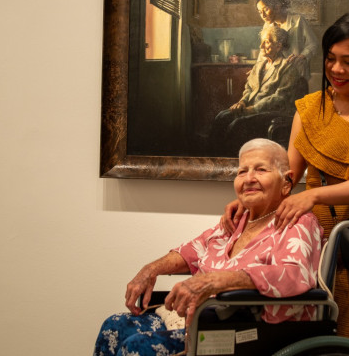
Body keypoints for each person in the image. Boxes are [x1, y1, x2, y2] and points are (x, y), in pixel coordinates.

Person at [221, 12, 349, 353]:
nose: (336, 69)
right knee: (305, 334)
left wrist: (314, 196)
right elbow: (287, 178)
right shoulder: (310, 108)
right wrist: (250, 199)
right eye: (331, 59)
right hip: (311, 237)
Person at [93, 139, 323, 356]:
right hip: (202, 319)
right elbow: (191, 251)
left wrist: (219, 280)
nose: (249, 178)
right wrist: (150, 269)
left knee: (137, 346)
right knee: (114, 326)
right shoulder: (237, 219)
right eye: (242, 171)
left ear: (287, 182)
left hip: (248, 329)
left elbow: (294, 273)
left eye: (261, 170)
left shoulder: (297, 221)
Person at [210, 24, 307, 156]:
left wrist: (254, 109)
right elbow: (249, 88)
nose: (261, 46)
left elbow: (280, 98)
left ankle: (233, 162)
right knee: (221, 117)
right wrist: (243, 102)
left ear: (278, 46)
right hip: (250, 108)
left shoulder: (287, 68)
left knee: (237, 125)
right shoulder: (259, 66)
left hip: (271, 112)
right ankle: (214, 160)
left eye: (266, 42)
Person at [255, 0, 318, 80]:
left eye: (266, 9)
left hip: (297, 71)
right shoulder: (267, 26)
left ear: (277, 7)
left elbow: (313, 44)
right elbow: (264, 50)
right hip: (276, 75)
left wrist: (302, 56)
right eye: (260, 12)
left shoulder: (298, 21)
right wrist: (257, 69)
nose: (263, 15)